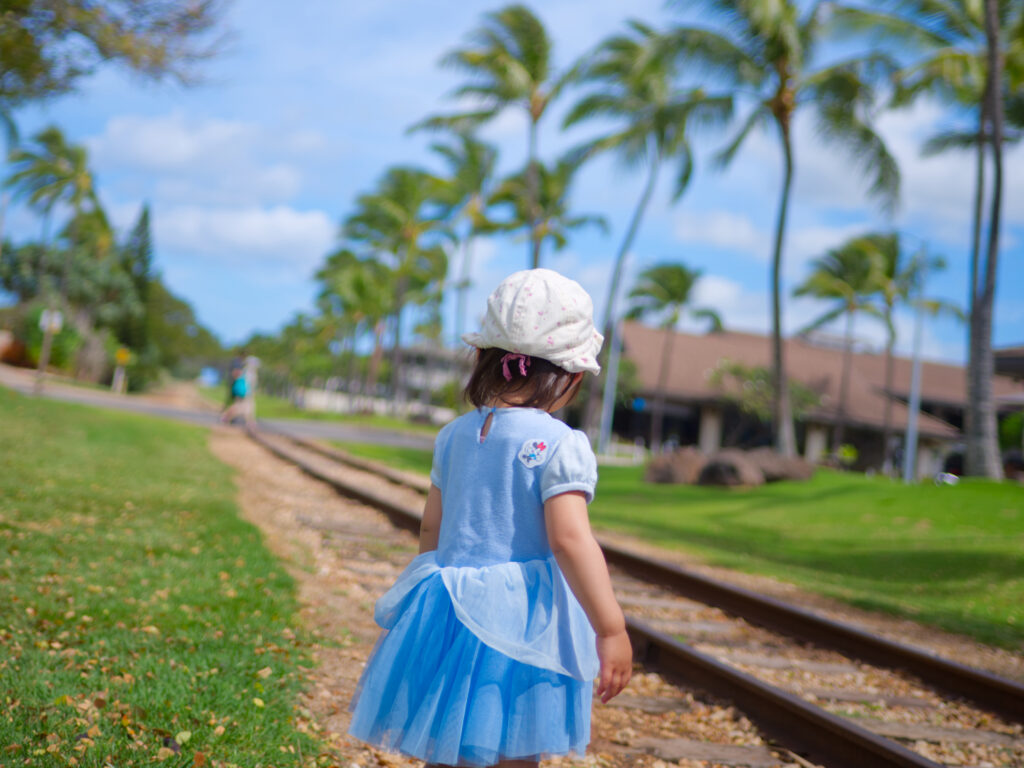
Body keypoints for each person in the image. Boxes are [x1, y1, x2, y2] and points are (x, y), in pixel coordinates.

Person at [348, 269, 632, 767]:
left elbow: (431, 528)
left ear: (482, 358)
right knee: (513, 744)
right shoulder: (561, 445)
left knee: (447, 732)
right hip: (523, 621)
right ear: (570, 376)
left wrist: (427, 592)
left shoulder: (452, 435)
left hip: (448, 606)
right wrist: (609, 628)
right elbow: (569, 540)